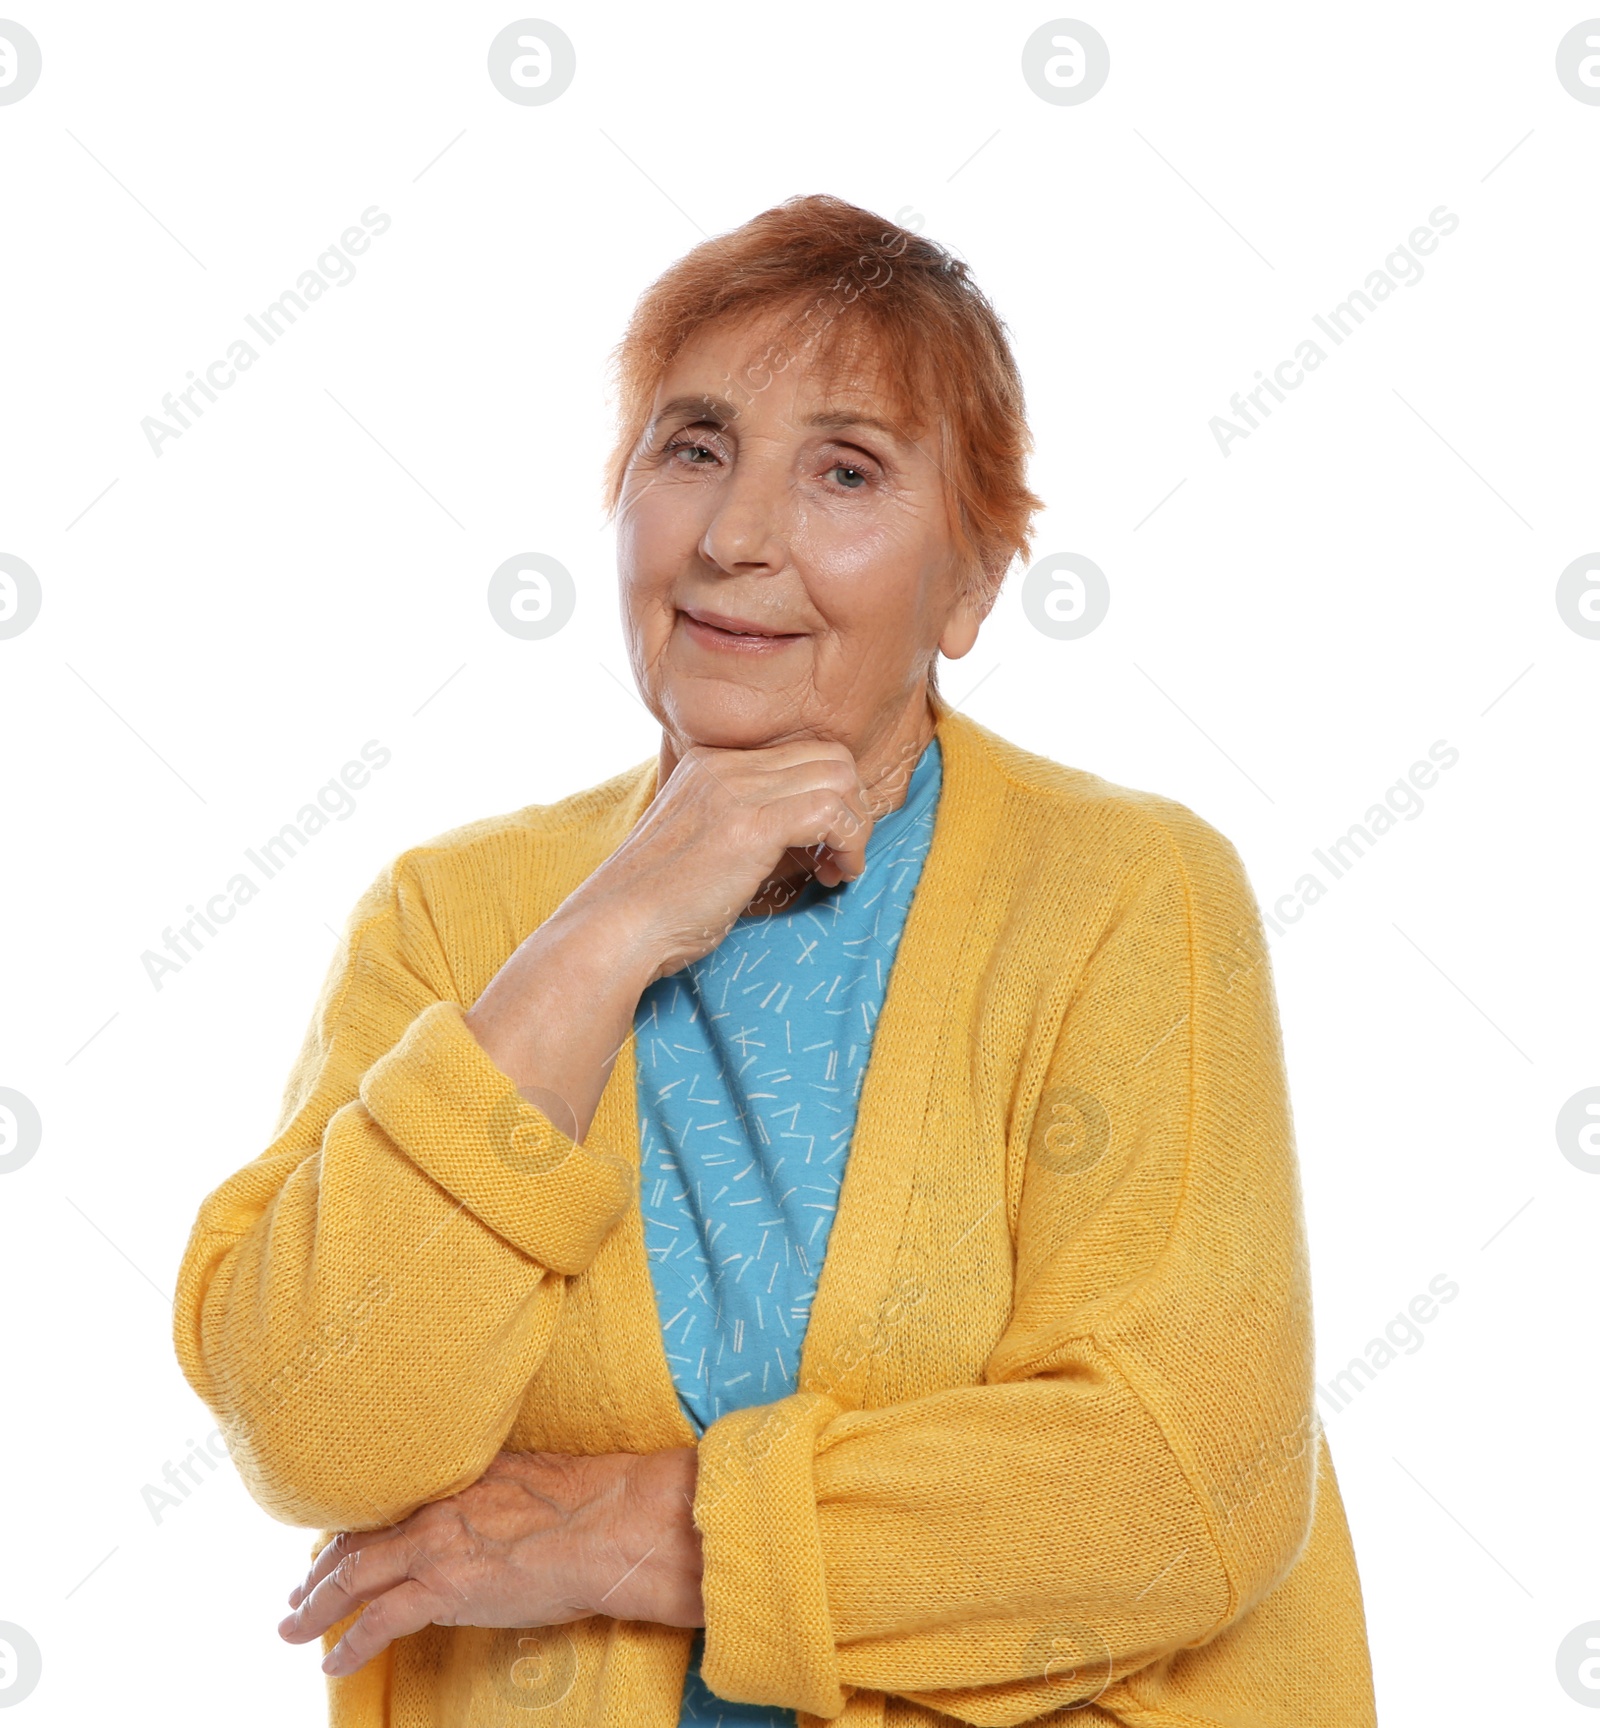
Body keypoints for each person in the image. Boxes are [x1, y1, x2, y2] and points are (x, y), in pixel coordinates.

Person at [173, 194, 1378, 1727]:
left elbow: (1183, 1479)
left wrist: (641, 1535)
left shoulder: (1128, 893)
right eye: (691, 449)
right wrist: (608, 928)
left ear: (973, 578)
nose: (737, 538)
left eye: (847, 471)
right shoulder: (455, 920)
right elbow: (318, 1429)